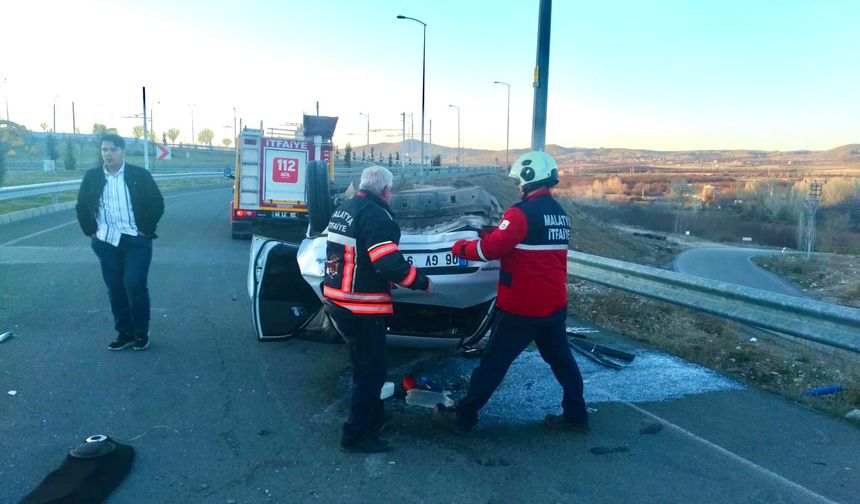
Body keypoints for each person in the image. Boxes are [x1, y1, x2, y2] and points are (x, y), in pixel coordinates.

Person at [438, 151, 589, 434]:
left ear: (529, 177)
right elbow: (520, 240)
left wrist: (460, 247)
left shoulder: (519, 213)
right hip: (554, 305)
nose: (518, 185)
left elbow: (489, 250)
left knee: (493, 365)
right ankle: (576, 415)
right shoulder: (560, 214)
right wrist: (494, 233)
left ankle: (464, 415)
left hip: (521, 306)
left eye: (519, 179)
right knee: (562, 362)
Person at [323, 165, 434, 453]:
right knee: (370, 374)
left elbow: (354, 257)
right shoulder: (377, 216)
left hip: (338, 301)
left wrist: (382, 279)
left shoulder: (345, 209)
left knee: (366, 367)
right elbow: (387, 263)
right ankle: (357, 435)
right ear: (386, 190)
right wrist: (421, 283)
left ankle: (373, 417)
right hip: (361, 306)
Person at [76, 133, 164, 351]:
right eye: (104, 150)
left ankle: (141, 332)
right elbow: (81, 206)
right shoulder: (93, 176)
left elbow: (157, 203)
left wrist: (145, 230)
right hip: (106, 241)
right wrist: (91, 232)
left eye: (112, 150)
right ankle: (125, 332)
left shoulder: (139, 175)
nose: (108, 154)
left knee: (134, 284)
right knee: (115, 288)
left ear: (122, 151)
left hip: (136, 240)